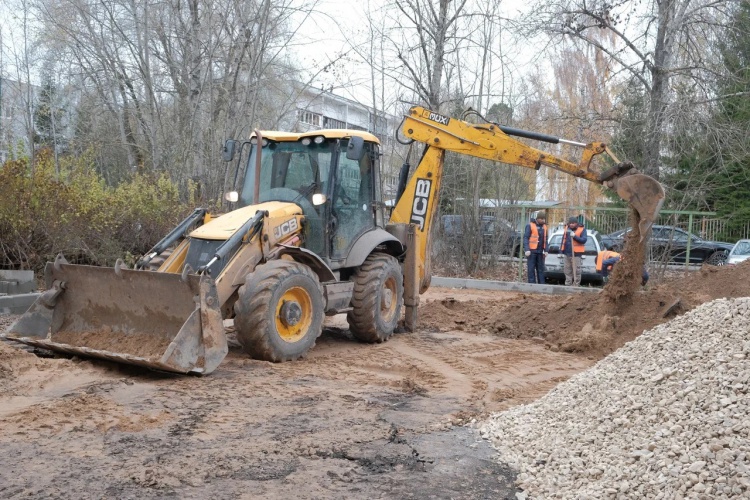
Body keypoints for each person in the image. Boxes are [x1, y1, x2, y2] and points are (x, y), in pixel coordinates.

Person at [561, 216, 587, 286]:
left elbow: (584, 240)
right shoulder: (567, 228)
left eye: (573, 223)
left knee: (576, 271)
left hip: (576, 254)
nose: (571, 224)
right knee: (567, 270)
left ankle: (576, 285)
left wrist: (575, 236)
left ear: (576, 223)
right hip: (567, 253)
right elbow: (563, 239)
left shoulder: (582, 229)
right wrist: (562, 250)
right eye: (570, 223)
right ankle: (568, 285)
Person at [523, 211, 548, 284]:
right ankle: (531, 285)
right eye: (542, 219)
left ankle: (541, 285)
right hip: (532, 251)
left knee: (540, 269)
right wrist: (527, 249)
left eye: (544, 219)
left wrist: (546, 250)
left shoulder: (545, 227)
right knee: (531, 269)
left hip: (540, 252)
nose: (543, 220)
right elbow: (526, 238)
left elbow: (546, 239)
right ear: (538, 219)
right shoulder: (530, 225)